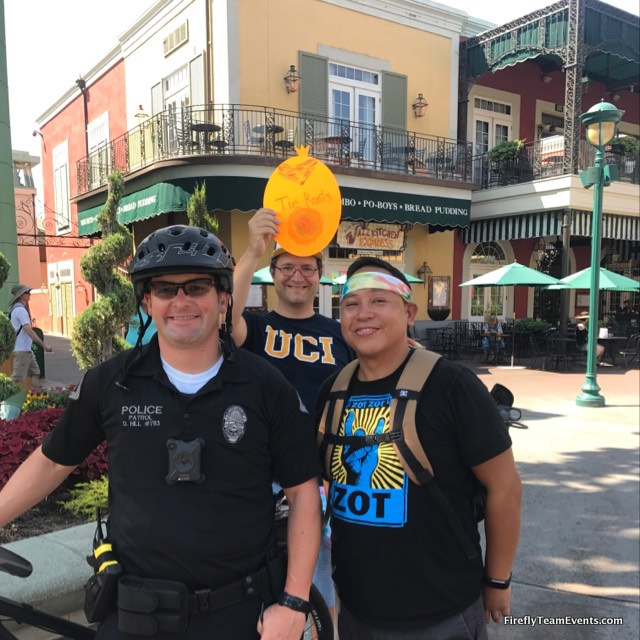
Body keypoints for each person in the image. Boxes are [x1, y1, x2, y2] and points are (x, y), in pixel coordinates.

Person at [0, 225, 321, 640]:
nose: (181, 301)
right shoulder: (111, 382)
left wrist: (295, 602)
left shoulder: (266, 385)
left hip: (240, 614)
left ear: (223, 298)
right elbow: (51, 462)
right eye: (166, 289)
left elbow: (302, 492)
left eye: (197, 287)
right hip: (135, 614)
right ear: (147, 301)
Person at [316, 256, 522, 639]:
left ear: (409, 312)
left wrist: (497, 579)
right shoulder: (331, 391)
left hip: (440, 612)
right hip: (356, 607)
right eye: (351, 303)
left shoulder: (453, 385)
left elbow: (505, 487)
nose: (363, 313)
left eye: (379, 301)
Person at [231, 207, 354, 618]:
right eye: (286, 267)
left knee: (320, 590)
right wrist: (252, 252)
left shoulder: (340, 334)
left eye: (307, 268)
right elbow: (223, 320)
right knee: (259, 588)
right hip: (262, 480)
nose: (296, 276)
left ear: (320, 275)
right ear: (272, 273)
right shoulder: (256, 328)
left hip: (325, 478)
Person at [8, 283, 52, 389]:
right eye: (27, 292)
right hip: (22, 351)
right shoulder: (20, 310)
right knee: (16, 379)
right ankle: (7, 397)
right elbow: (28, 330)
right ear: (20, 295)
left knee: (35, 373)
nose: (29, 294)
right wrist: (43, 345)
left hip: (27, 351)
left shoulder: (18, 309)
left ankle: (34, 395)